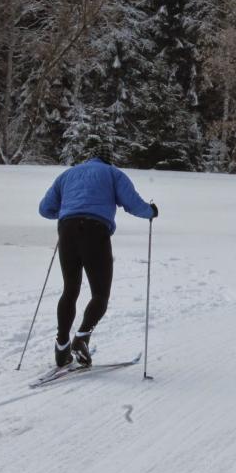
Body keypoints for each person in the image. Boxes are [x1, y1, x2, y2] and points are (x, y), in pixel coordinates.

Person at [39, 142, 158, 367]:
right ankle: (81, 338)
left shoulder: (68, 175)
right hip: (95, 232)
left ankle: (62, 345)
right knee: (100, 294)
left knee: (70, 289)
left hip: (67, 232)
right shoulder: (113, 173)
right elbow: (133, 204)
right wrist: (151, 211)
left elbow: (45, 209)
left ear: (89, 157)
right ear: (108, 159)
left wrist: (66, 212)